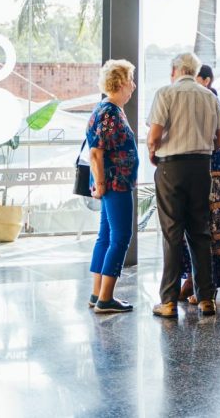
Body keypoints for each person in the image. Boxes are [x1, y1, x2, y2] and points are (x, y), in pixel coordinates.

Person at [147, 53, 220, 318]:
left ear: (174, 70)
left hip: (171, 166)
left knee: (172, 233)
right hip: (201, 167)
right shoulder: (209, 96)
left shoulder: (165, 94)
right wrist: (204, 147)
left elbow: (154, 135)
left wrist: (152, 152)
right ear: (194, 72)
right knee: (200, 232)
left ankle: (169, 302)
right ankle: (207, 299)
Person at [178, 64, 220, 303]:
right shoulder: (212, 100)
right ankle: (196, 282)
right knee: (209, 225)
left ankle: (200, 283)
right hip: (212, 166)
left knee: (199, 223)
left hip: (202, 167)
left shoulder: (191, 99)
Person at [86, 59, 139, 314]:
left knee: (106, 237)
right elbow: (96, 153)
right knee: (120, 237)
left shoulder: (106, 109)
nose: (134, 86)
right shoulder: (109, 112)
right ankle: (106, 298)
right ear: (120, 83)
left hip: (113, 182)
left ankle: (97, 294)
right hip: (115, 184)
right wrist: (101, 184)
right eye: (130, 80)